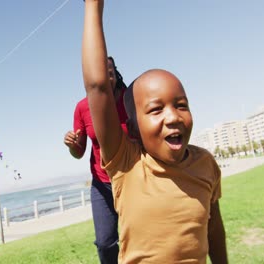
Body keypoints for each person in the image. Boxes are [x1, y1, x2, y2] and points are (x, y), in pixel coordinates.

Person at [80, 0, 228, 263]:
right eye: (156, 109)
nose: (173, 116)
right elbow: (98, 86)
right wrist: (93, 6)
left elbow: (214, 229)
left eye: (181, 105)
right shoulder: (126, 163)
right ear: (132, 127)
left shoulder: (205, 163)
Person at [64, 56, 128, 264]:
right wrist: (73, 145)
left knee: (137, 237)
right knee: (105, 243)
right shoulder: (82, 107)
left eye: (109, 71)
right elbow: (79, 152)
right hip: (102, 184)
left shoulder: (131, 98)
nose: (105, 75)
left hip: (131, 179)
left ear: (115, 73)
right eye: (100, 71)